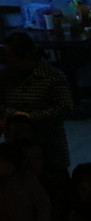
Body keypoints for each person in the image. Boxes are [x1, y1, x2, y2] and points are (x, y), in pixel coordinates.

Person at [0, 33, 72, 176]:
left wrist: (30, 117)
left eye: (9, 57)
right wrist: (14, 115)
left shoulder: (53, 76)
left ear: (25, 56)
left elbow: (65, 108)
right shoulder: (5, 77)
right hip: (15, 145)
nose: (5, 61)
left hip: (50, 145)